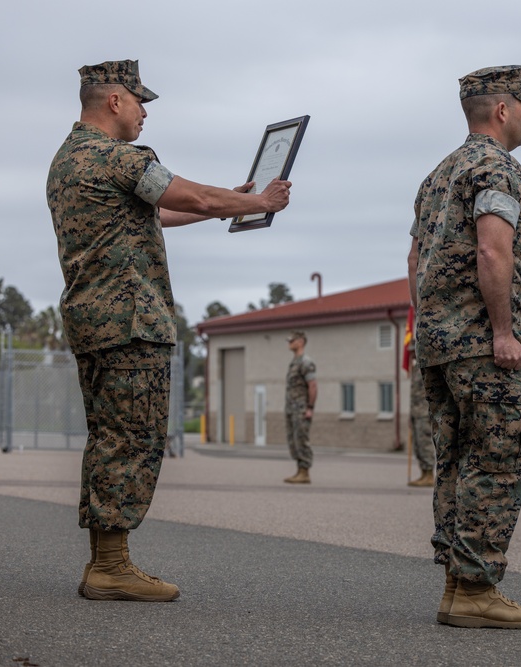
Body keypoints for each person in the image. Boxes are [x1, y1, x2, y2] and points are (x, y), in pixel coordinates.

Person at [47, 59, 292, 602]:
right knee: (132, 438)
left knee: (110, 436)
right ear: (115, 101)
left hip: (93, 319)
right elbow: (190, 195)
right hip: (131, 321)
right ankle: (111, 566)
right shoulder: (117, 157)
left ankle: (105, 561)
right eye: (140, 103)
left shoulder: (68, 161)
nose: (144, 114)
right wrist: (256, 203)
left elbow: (162, 211)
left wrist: (223, 204)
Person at [407, 64, 521, 629]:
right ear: (502, 110)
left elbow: (415, 260)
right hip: (483, 348)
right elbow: (493, 251)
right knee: (496, 462)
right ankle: (477, 588)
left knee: (457, 462)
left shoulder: (439, 174)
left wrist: (431, 326)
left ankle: (455, 585)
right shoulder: (497, 168)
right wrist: (502, 330)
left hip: (440, 345)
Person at [283, 331, 318, 483]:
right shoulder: (294, 362)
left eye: (292, 340)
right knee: (294, 440)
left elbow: (313, 386)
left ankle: (305, 472)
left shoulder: (306, 362)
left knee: (302, 439)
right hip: (291, 408)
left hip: (301, 408)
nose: (289, 343)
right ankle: (299, 470)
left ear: (301, 342)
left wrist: (310, 407)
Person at [408, 350, 436, 487]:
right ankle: (423, 472)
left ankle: (430, 474)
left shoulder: (425, 366)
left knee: (424, 443)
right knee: (417, 443)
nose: (411, 354)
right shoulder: (415, 368)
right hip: (416, 411)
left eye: (412, 351)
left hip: (424, 412)